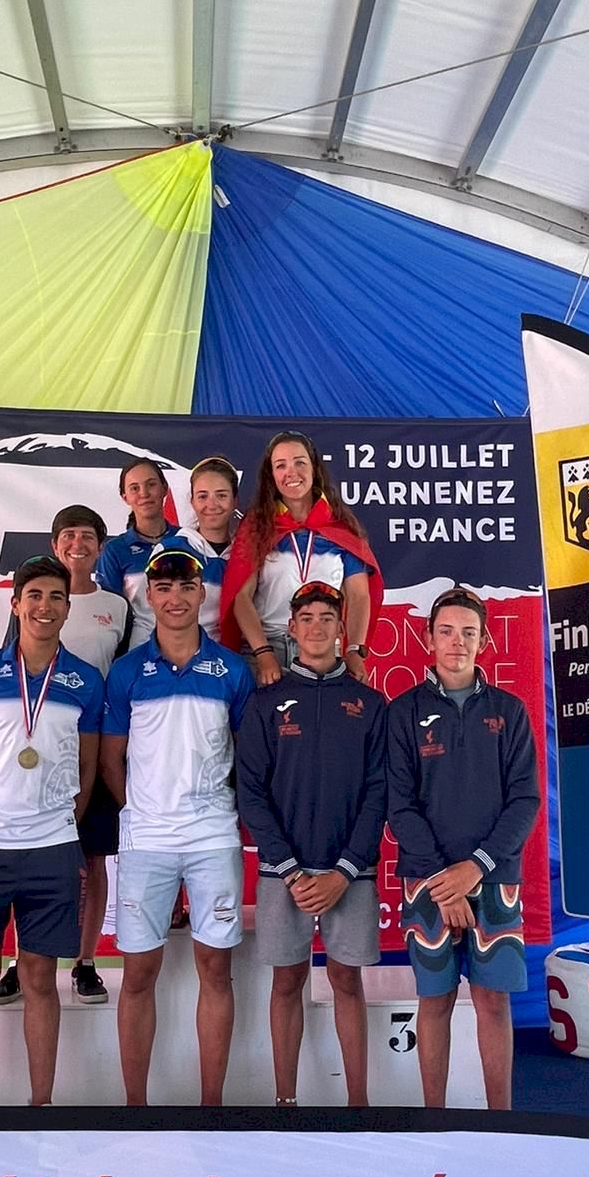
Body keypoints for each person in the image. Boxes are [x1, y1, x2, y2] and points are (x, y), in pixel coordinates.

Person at [0, 555, 104, 1106]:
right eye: (34, 595)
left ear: (68, 608)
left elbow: (87, 766)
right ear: (16, 604)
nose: (45, 606)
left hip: (50, 851)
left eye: (56, 597)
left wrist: (62, 822)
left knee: (39, 980)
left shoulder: (85, 680)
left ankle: (41, 1108)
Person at [100, 546, 254, 1105]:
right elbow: (110, 761)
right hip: (146, 842)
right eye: (163, 588)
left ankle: (212, 1106)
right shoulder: (126, 672)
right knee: (139, 973)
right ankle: (135, 1108)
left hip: (214, 838)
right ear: (149, 596)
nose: (175, 598)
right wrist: (142, 811)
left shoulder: (232, 670)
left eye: (186, 587)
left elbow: (246, 758)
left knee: (216, 969)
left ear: (201, 593)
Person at [386, 587, 540, 1111]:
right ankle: (436, 1118)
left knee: (493, 1001)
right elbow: (400, 804)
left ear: (484, 641)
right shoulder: (403, 712)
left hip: (495, 879)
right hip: (427, 882)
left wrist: (477, 867)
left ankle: (502, 1121)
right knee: (435, 1000)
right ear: (428, 637)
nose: (457, 642)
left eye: (468, 633)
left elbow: (525, 800)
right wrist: (445, 884)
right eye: (447, 631)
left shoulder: (509, 711)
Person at [237, 581, 387, 1107]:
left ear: (342, 629)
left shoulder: (370, 703)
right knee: (286, 982)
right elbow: (250, 791)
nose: (317, 627)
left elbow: (379, 790)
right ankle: (285, 1102)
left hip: (352, 872)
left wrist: (344, 871)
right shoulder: (265, 703)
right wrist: (291, 870)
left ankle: (358, 1104)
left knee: (346, 981)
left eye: (327, 618)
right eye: (307, 619)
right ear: (292, 630)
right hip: (285, 874)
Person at [0, 507, 129, 1008]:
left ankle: (86, 962)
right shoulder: (35, 601)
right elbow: (10, 673)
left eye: (88, 536)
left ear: (101, 547)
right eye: (68, 535)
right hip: (38, 748)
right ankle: (19, 960)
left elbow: (123, 678)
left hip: (93, 746)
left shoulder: (116, 606)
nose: (78, 544)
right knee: (29, 858)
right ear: (55, 544)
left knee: (92, 860)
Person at [219, 430, 383, 686]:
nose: (291, 472)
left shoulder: (342, 526)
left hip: (324, 650)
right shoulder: (256, 527)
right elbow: (241, 597)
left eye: (299, 462)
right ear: (271, 475)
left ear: (314, 467)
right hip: (267, 648)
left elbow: (360, 595)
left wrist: (354, 650)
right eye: (280, 465)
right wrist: (263, 653)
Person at [94, 457, 178, 648]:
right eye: (134, 488)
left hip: (187, 649)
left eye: (151, 484)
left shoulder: (188, 540)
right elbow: (110, 611)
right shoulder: (115, 550)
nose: (144, 493)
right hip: (137, 652)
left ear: (164, 488)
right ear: (125, 497)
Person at [175, 455, 239, 640]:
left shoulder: (248, 554)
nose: (212, 504)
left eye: (221, 495)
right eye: (203, 496)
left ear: (235, 500)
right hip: (186, 653)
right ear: (192, 501)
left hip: (238, 654)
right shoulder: (171, 550)